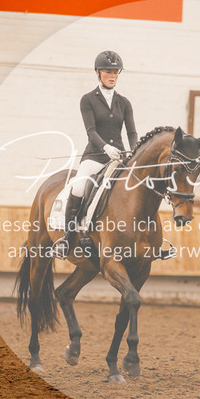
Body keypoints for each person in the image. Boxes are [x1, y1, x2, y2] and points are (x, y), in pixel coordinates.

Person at [57, 50, 138, 255]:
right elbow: (91, 131)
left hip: (118, 159)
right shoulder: (88, 100)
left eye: (116, 72)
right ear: (98, 73)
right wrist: (105, 147)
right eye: (108, 72)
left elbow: (132, 132)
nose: (112, 76)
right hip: (95, 157)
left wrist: (134, 151)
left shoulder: (124, 102)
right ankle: (68, 237)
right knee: (78, 188)